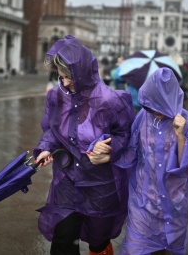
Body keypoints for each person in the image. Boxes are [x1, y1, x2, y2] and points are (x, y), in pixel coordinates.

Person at [34, 35, 135, 255]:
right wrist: (44, 149)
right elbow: (51, 130)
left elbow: (124, 134)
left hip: (100, 185)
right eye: (60, 77)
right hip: (67, 181)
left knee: (98, 240)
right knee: (63, 240)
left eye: (69, 78)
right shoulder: (56, 97)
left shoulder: (111, 100)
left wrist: (109, 150)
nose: (65, 83)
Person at [118, 67, 188, 255]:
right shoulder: (143, 117)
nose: (153, 110)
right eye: (149, 105)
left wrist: (180, 137)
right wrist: (106, 151)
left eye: (158, 105)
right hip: (143, 202)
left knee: (167, 251)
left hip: (174, 205)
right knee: (134, 249)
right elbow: (131, 151)